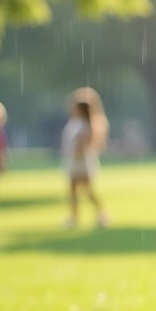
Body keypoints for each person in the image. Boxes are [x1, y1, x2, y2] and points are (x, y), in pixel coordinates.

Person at [62, 87, 110, 228]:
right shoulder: (76, 123)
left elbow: (82, 146)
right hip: (75, 161)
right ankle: (76, 217)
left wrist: (74, 154)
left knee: (86, 191)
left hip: (80, 162)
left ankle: (99, 215)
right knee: (76, 191)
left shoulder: (84, 126)